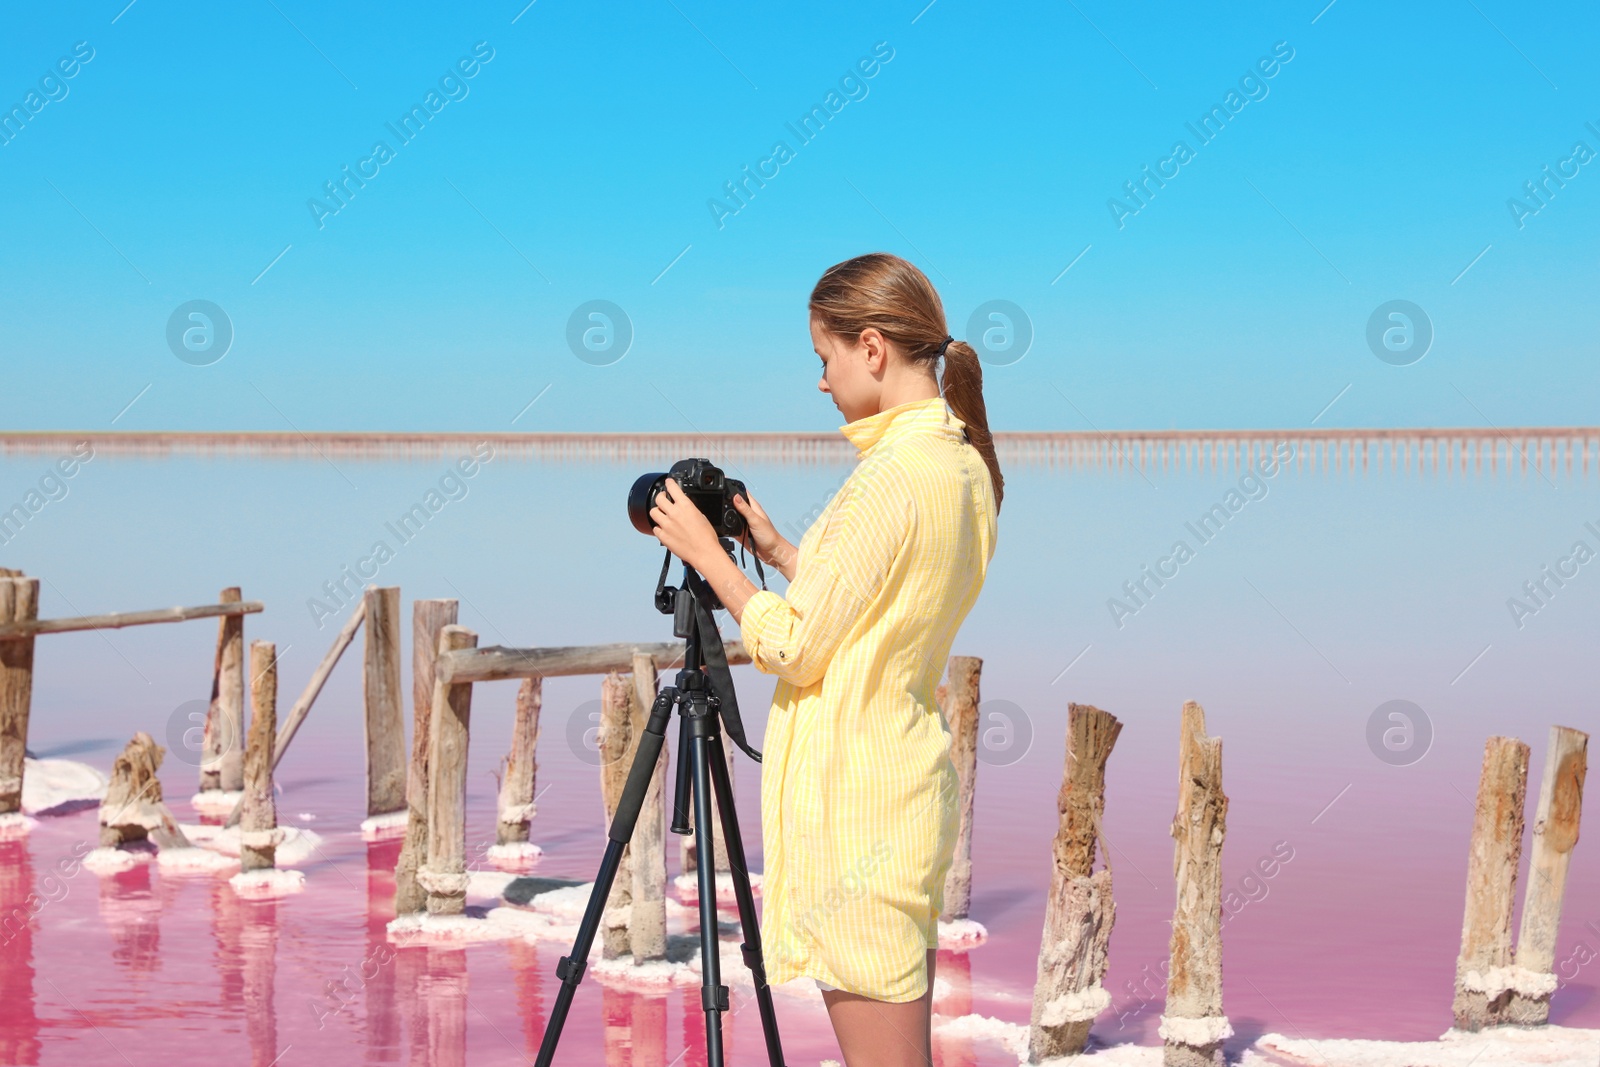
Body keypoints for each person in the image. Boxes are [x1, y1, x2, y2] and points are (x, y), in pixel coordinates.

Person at [647, 251, 1002, 1067]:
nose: (821, 381)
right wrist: (775, 549)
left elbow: (798, 644)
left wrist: (713, 561)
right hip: (901, 785)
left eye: (824, 358)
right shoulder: (961, 466)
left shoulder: (888, 478)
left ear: (871, 348)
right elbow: (874, 603)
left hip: (857, 812)